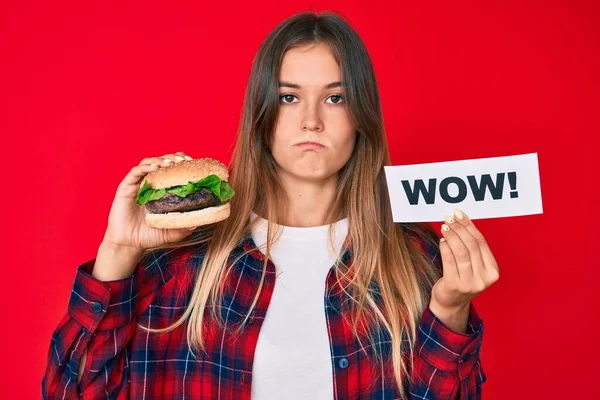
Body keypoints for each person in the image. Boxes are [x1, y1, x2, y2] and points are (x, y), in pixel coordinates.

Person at [41, 11, 499, 400]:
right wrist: (118, 251)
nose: (312, 120)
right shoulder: (181, 263)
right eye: (289, 97)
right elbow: (70, 391)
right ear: (261, 114)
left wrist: (450, 311)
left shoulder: (416, 261)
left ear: (362, 116)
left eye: (335, 98)